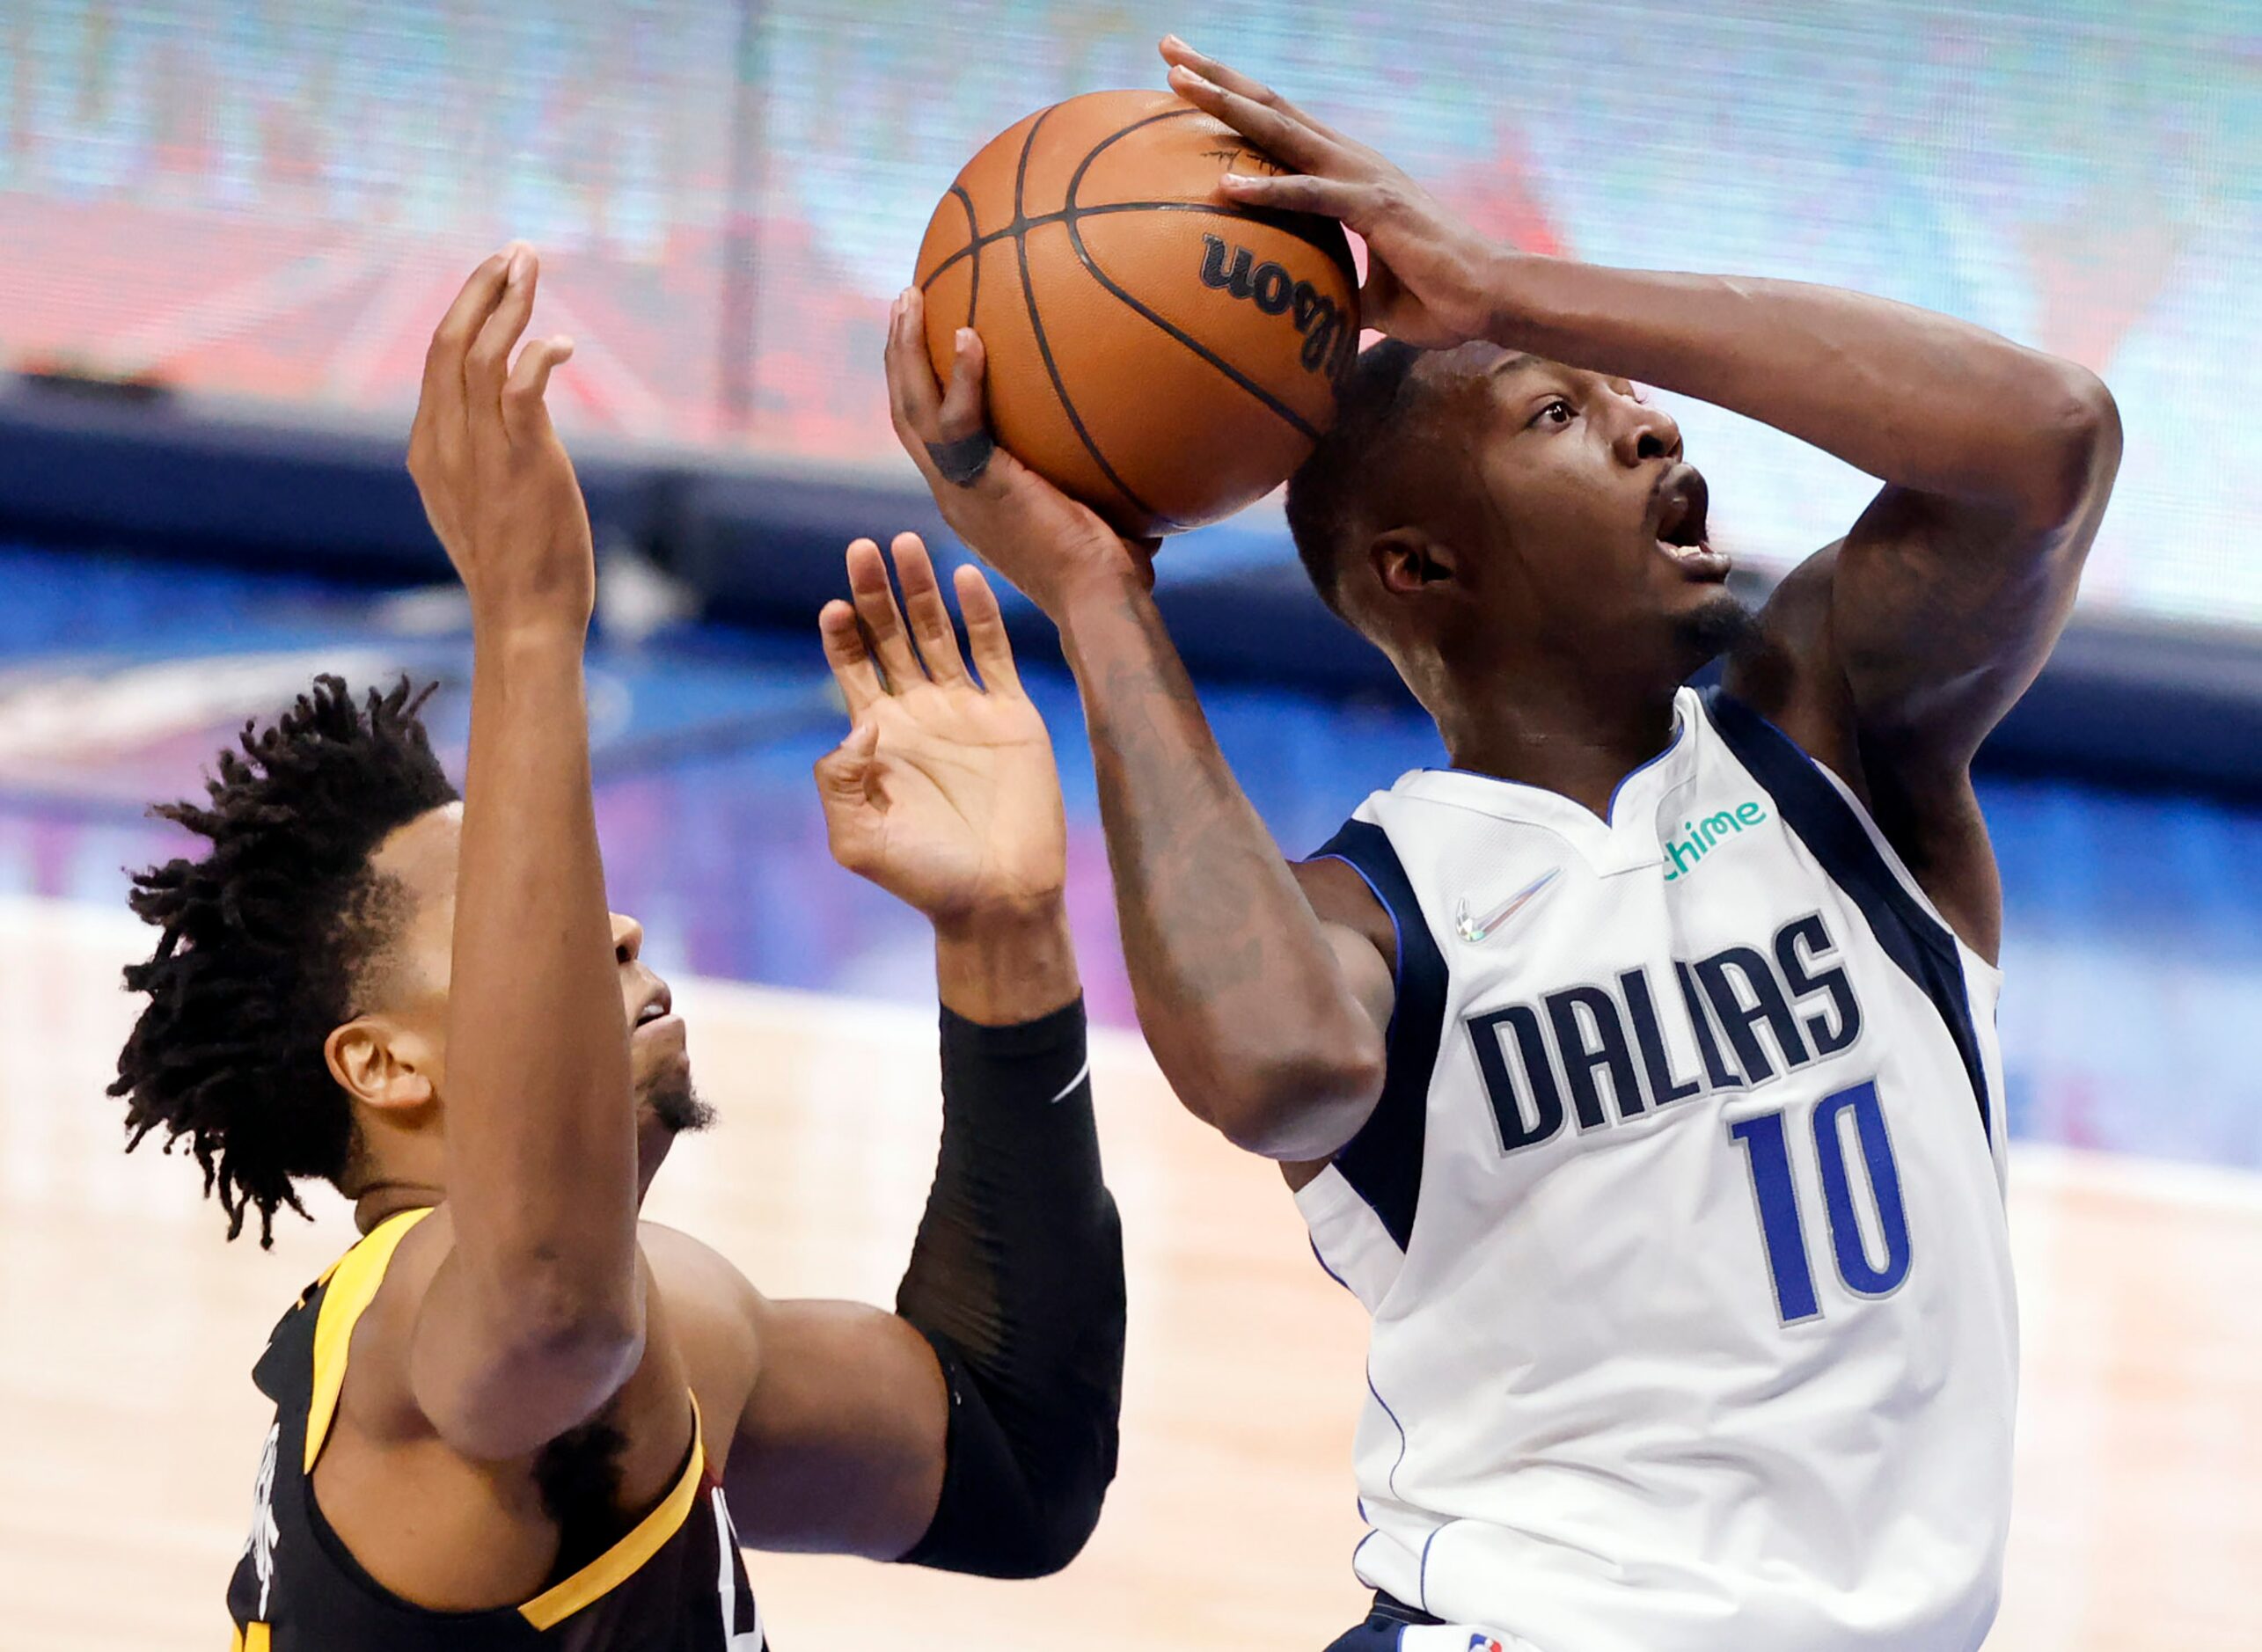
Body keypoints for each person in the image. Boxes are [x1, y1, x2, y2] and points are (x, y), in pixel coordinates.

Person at [882, 36, 2119, 1652]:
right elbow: (1272, 1070)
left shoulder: (1837, 748)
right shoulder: (1391, 907)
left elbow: (2049, 441)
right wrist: (1101, 595)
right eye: (1561, 415)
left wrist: (1509, 296)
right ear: (1421, 566)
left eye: (1630, 406)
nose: (1655, 435)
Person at [111, 247, 1124, 1650]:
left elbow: (1016, 1464)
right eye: (513, 905)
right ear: (382, 1063)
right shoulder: (419, 1335)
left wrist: (1000, 939)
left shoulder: (657, 1322)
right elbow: (542, 1298)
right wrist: (530, 625)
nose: (616, 920)